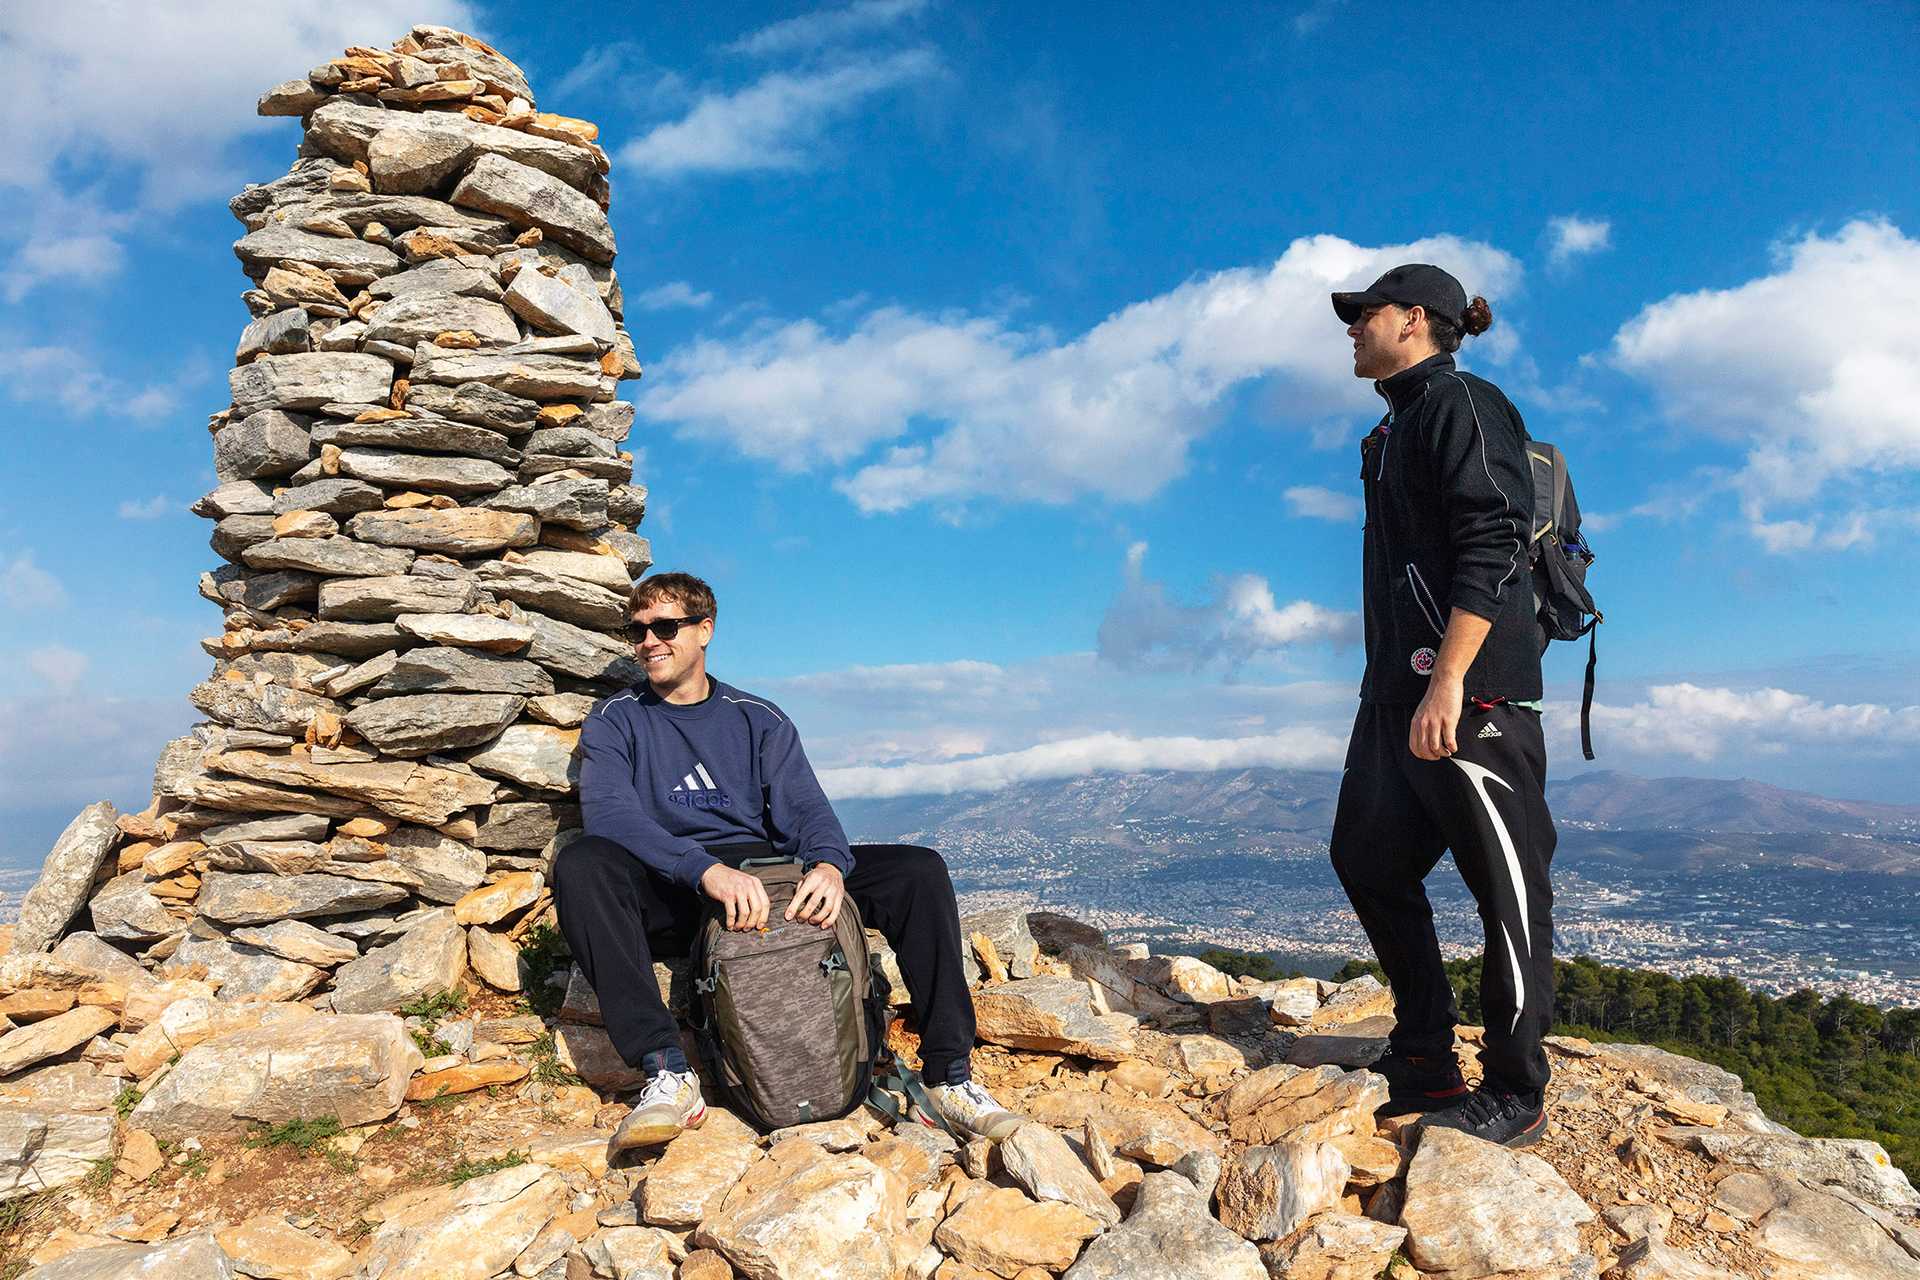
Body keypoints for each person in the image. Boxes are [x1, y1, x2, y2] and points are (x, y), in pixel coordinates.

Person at [555, 571, 1024, 1150]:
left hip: (768, 874)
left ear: (705, 631)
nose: (649, 641)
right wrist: (704, 870)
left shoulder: (759, 717)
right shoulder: (616, 718)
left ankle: (951, 1077)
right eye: (638, 630)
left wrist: (828, 864)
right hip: (677, 883)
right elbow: (611, 816)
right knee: (581, 864)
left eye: (665, 627)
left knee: (918, 870)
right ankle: (667, 1071)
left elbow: (808, 810)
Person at [1325, 264, 1557, 1148]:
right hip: (1396, 692)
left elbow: (1492, 540)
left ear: (1415, 318)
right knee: (1368, 858)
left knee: (1506, 888)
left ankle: (1517, 1087)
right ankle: (1424, 1051)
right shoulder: (1391, 431)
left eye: (1364, 313)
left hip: (1472, 693)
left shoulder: (1462, 403)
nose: (1352, 328)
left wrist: (1451, 681)